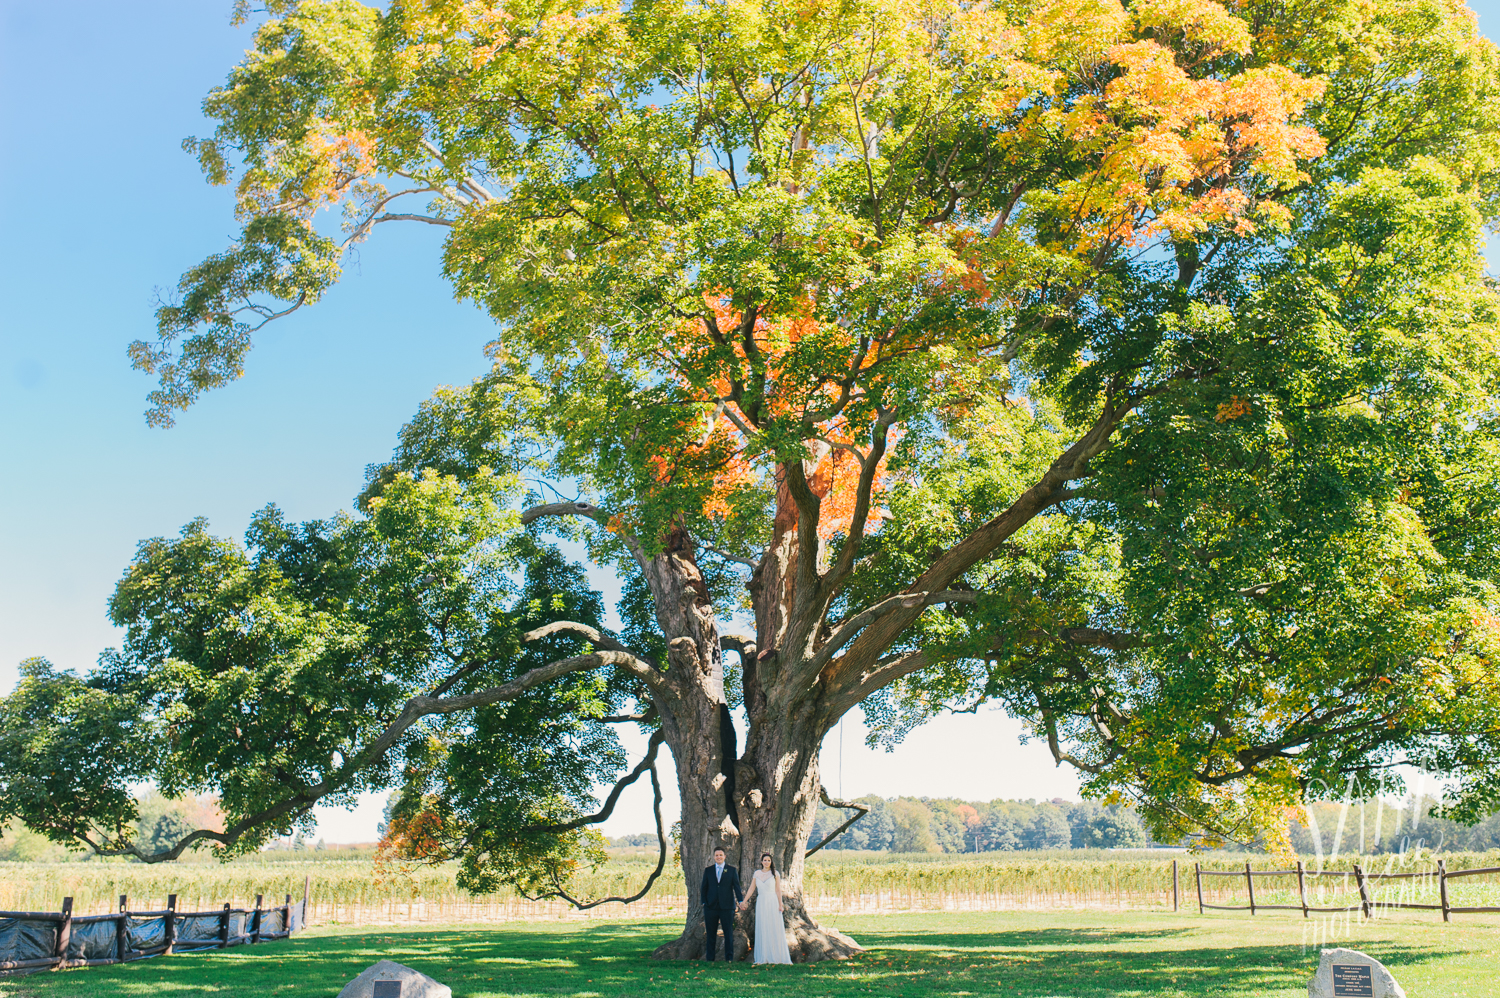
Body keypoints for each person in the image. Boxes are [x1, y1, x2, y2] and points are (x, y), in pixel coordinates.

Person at [738, 852, 792, 964]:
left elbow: (778, 890)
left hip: (772, 901)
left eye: (768, 860)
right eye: (765, 860)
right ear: (761, 862)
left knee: (773, 927)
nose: (766, 862)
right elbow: (752, 888)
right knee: (763, 926)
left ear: (771, 862)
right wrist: (744, 901)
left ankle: (776, 955)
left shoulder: (775, 873)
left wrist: (780, 905)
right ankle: (764, 956)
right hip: (761, 902)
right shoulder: (757, 874)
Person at [699, 846, 743, 961]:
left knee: (728, 933)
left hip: (727, 907)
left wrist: (741, 901)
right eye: (716, 855)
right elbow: (704, 887)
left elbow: (737, 887)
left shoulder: (731, 870)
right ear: (714, 857)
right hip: (711, 907)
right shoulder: (708, 870)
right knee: (711, 934)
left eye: (720, 855)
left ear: (725, 856)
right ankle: (710, 958)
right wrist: (704, 902)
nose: (719, 857)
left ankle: (729, 958)